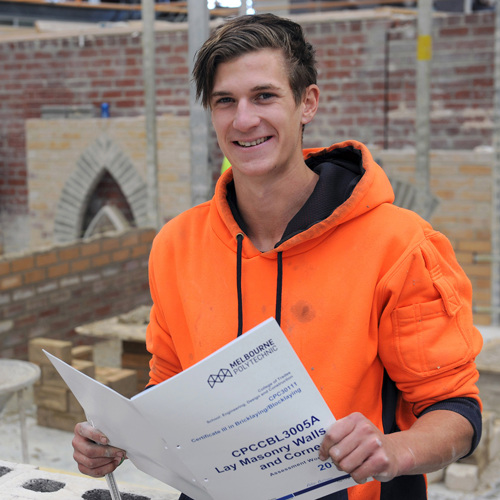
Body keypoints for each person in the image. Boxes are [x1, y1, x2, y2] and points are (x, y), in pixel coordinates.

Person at [72, 13, 483, 500]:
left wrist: (396, 450)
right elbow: (167, 391)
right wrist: (117, 437)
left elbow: (456, 411)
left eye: (264, 96)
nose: (244, 120)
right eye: (226, 101)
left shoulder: (398, 245)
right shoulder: (176, 246)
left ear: (306, 102)